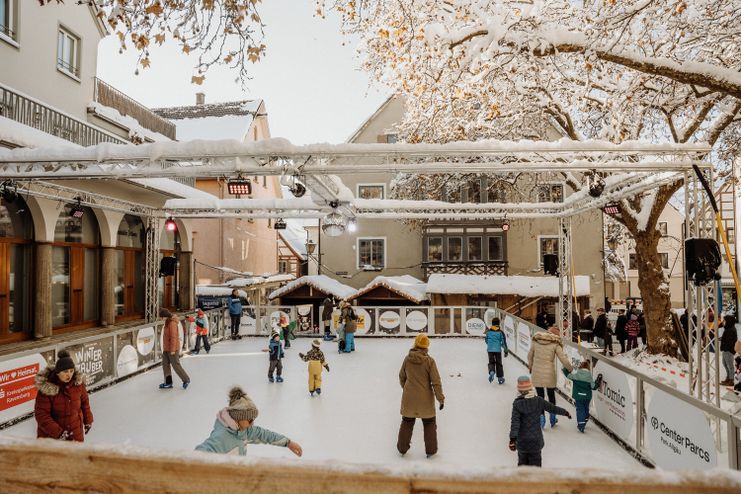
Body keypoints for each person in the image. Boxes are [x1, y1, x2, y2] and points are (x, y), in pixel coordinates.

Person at [195, 386, 302, 457]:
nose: (252, 423)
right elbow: (201, 453)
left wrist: (288, 443)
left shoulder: (244, 430)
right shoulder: (222, 437)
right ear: (237, 417)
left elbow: (264, 435)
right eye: (249, 420)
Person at [397, 334, 444, 458]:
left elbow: (402, 376)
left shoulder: (407, 359)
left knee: (407, 421)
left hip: (409, 399)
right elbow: (436, 381)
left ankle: (402, 448)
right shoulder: (429, 361)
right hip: (425, 400)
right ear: (426, 346)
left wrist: (407, 389)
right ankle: (431, 450)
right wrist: (440, 398)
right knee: (429, 423)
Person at [508, 375, 571, 467]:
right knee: (536, 470)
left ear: (519, 390)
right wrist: (565, 412)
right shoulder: (539, 401)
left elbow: (515, 423)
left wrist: (513, 439)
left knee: (522, 470)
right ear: (530, 387)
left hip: (523, 443)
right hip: (536, 442)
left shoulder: (517, 404)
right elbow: (552, 408)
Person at [34, 350, 93, 442]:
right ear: (57, 373)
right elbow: (42, 415)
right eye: (65, 371)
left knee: (75, 456)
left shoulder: (78, 384)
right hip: (52, 437)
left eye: (71, 371)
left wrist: (88, 420)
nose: (69, 374)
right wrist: (59, 433)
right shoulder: (47, 389)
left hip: (75, 432)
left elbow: (85, 403)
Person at [528, 326, 573, 429]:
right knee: (551, 395)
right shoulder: (555, 344)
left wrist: (530, 366)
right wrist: (570, 369)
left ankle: (541, 416)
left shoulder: (536, 341)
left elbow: (530, 356)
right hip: (549, 373)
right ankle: (552, 416)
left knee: (540, 396)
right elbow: (563, 359)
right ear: (555, 335)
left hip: (537, 371)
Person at [562, 362, 603, 432]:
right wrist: (598, 381)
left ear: (580, 367)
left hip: (578, 396)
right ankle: (586, 418)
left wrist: (564, 369)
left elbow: (568, 375)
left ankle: (581, 426)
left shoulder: (576, 375)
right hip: (587, 397)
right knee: (585, 408)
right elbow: (594, 387)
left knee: (580, 410)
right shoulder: (589, 377)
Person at [159, 308, 190, 389]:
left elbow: (174, 337)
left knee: (176, 365)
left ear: (165, 316)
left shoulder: (172, 323)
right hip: (166, 348)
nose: (161, 319)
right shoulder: (167, 322)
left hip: (172, 349)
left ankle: (186, 379)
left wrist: (173, 350)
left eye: (161, 317)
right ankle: (168, 382)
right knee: (165, 365)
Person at [485, 317, 508, 384]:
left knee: (491, 362)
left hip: (490, 350)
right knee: (499, 363)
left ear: (492, 323)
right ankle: (500, 378)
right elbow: (504, 342)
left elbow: (486, 340)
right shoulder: (501, 332)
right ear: (498, 323)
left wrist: (490, 345)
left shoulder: (488, 332)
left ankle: (492, 371)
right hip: (498, 350)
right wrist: (505, 351)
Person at [720, 315, 737, 386]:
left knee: (730, 365)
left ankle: (731, 380)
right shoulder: (728, 328)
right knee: (724, 363)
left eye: (725, 320)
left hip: (728, 350)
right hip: (726, 349)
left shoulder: (731, 329)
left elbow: (730, 341)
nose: (724, 322)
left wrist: (725, 346)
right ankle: (728, 378)